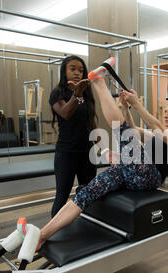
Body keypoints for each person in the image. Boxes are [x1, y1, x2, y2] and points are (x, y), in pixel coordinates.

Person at [36, 57, 168, 246]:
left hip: (148, 178)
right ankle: (43, 235)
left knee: (122, 131)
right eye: (165, 111)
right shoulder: (158, 133)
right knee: (85, 193)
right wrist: (126, 107)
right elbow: (133, 130)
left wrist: (137, 104)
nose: (166, 114)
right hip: (131, 170)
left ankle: (99, 82)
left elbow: (158, 129)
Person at [48, 56, 98, 218]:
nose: (77, 73)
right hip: (66, 153)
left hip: (87, 153)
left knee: (89, 194)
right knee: (61, 198)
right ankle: (53, 236)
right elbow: (65, 113)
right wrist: (76, 93)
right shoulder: (57, 93)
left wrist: (102, 147)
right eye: (73, 69)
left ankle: (89, 228)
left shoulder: (87, 94)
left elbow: (92, 122)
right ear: (64, 71)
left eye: (81, 70)